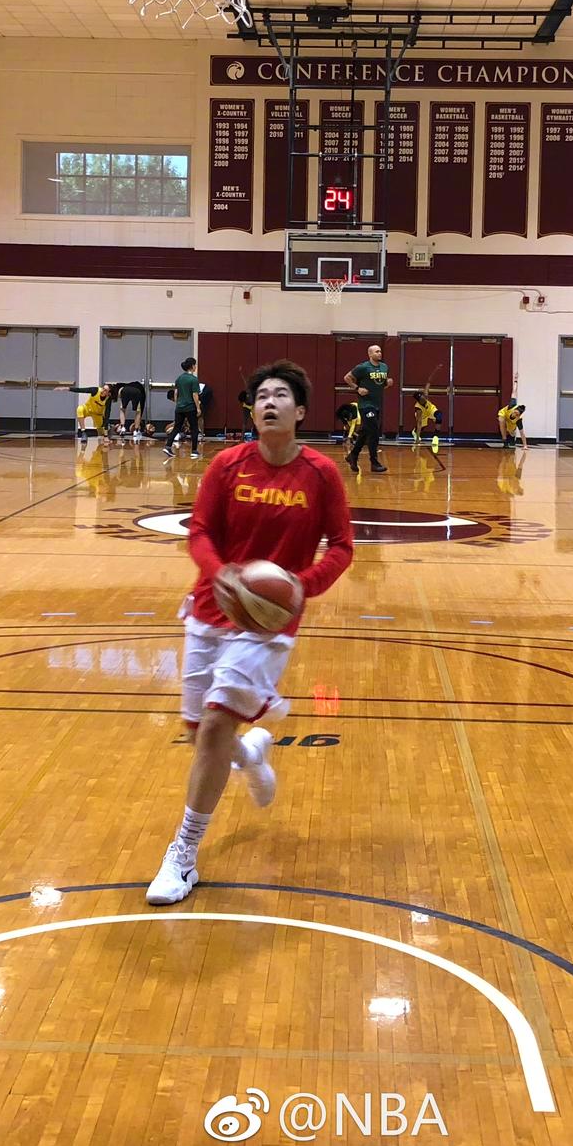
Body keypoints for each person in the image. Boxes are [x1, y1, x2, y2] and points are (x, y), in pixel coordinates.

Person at [146, 360, 354, 906]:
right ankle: (252, 755)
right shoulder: (226, 465)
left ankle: (183, 855)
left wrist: (300, 587)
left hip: (268, 625)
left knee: (214, 727)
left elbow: (342, 547)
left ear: (300, 411)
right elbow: (199, 532)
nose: (269, 402)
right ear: (253, 410)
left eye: (281, 395)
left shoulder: (321, 474)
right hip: (211, 610)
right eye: (261, 395)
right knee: (199, 735)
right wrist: (222, 578)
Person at [344, 344, 391, 475]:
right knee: (374, 431)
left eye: (380, 351)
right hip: (366, 404)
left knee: (365, 431)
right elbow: (347, 377)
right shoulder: (363, 367)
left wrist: (387, 383)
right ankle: (374, 462)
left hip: (377, 404)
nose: (379, 353)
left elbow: (381, 384)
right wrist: (357, 388)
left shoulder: (384, 367)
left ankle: (352, 456)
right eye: (376, 352)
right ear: (370, 354)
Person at [165, 358, 202, 459]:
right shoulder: (193, 379)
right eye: (195, 365)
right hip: (190, 407)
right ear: (192, 366)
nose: (196, 367)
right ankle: (194, 451)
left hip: (179, 408)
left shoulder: (179, 378)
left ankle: (168, 446)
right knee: (194, 428)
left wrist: (178, 403)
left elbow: (176, 393)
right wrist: (198, 408)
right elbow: (195, 395)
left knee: (176, 428)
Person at [407, 390, 442, 456]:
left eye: (424, 397)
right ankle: (415, 431)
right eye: (422, 399)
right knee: (422, 426)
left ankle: (436, 436)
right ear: (419, 401)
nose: (424, 399)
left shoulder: (425, 395)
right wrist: (417, 438)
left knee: (439, 415)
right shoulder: (418, 409)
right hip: (423, 415)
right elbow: (419, 423)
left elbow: (427, 386)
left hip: (430, 410)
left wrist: (430, 380)